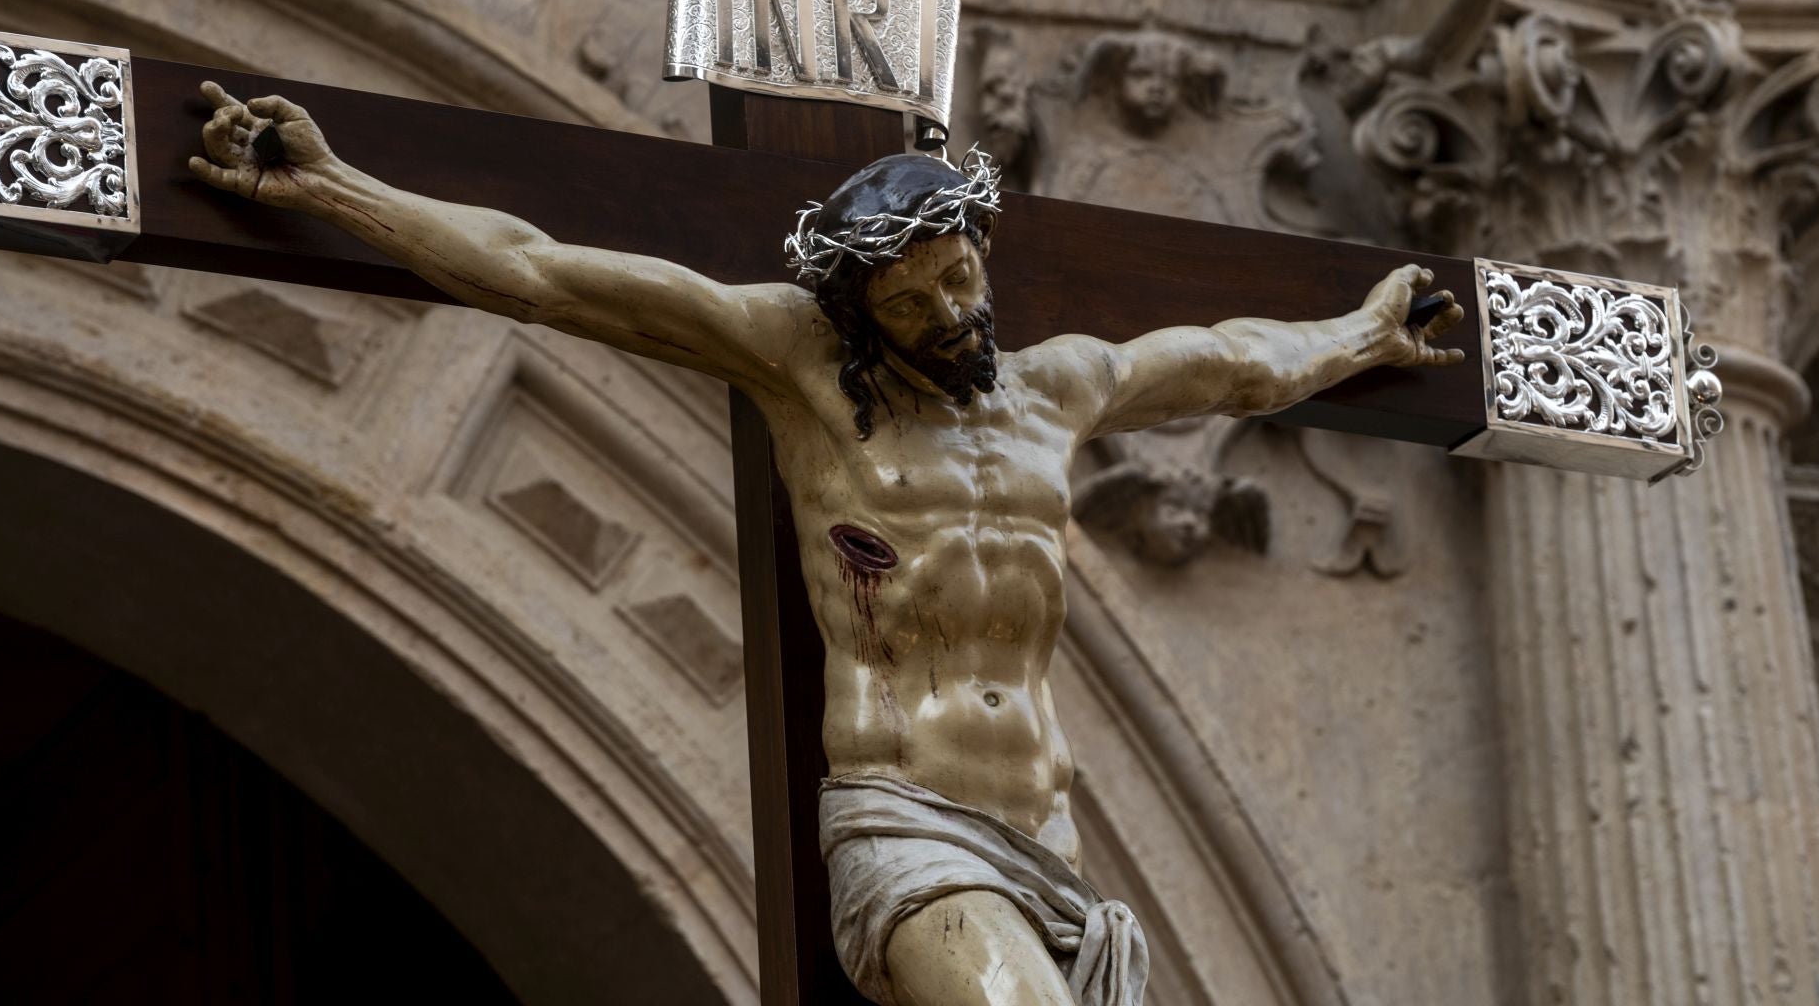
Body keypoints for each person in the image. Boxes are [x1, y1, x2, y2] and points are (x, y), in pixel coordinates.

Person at [191, 82, 1464, 1006]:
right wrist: (331, 185)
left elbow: (1234, 362)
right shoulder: (805, 374)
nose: (948, 312)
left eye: (959, 278)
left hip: (1051, 848)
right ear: (856, 310)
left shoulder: (1058, 385)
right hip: (909, 826)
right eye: (908, 303)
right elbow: (543, 272)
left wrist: (1363, 336)